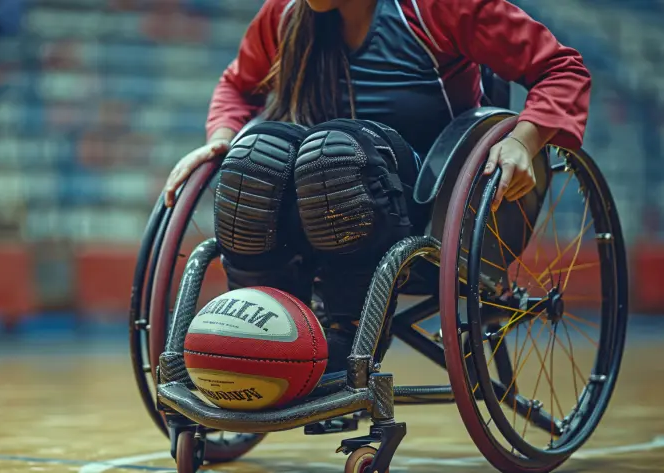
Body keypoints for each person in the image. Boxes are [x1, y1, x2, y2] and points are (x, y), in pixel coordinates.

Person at [163, 0, 590, 372]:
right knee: (254, 153)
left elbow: (562, 68)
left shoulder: (437, 7)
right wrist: (221, 138)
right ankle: (258, 326)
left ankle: (345, 334)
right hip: (322, 204)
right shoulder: (285, 12)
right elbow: (238, 86)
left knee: (334, 151)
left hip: (427, 210)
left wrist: (523, 140)